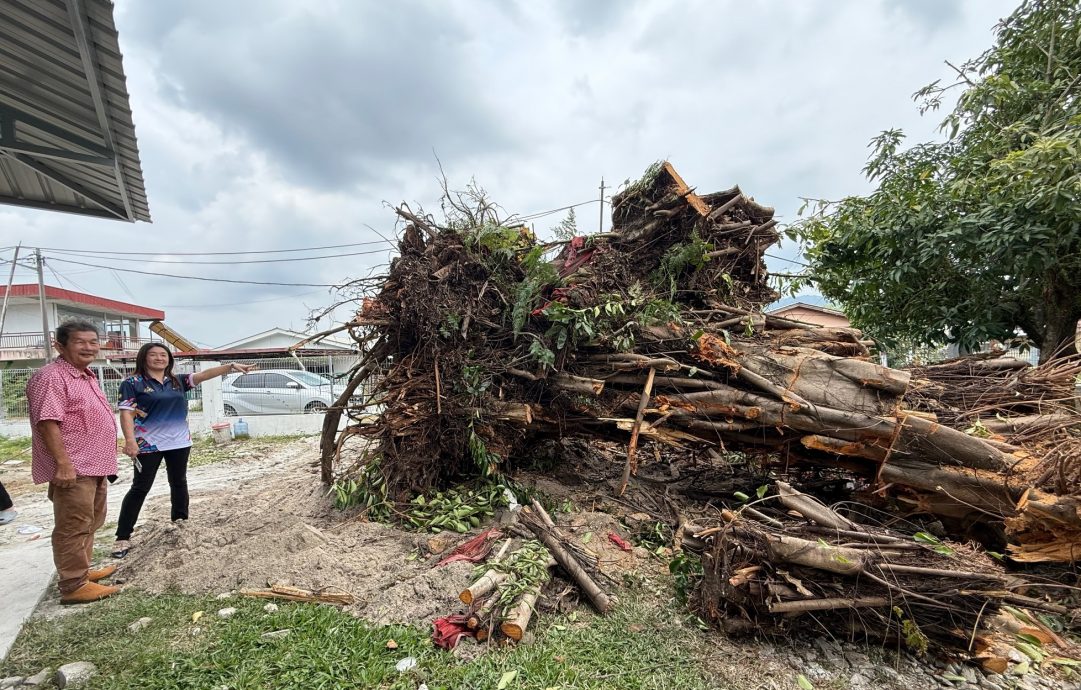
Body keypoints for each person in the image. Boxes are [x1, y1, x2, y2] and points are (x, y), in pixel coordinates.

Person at [112, 345, 254, 558]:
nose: (159, 359)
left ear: (169, 359)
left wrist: (231, 366)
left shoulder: (177, 381)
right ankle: (122, 536)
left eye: (163, 355)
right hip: (148, 444)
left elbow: (205, 375)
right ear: (143, 358)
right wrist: (130, 441)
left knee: (179, 482)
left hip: (179, 442)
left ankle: (180, 523)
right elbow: (126, 414)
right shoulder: (132, 383)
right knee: (140, 487)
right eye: (153, 355)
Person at [26, 320, 120, 604]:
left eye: (93, 342)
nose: (89, 347)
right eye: (80, 342)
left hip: (95, 463)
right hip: (74, 466)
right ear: (60, 345)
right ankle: (73, 585)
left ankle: (82, 571)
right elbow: (48, 422)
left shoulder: (85, 375)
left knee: (91, 521)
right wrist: (63, 463)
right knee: (73, 524)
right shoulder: (52, 377)